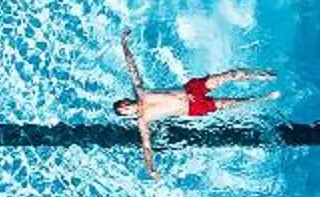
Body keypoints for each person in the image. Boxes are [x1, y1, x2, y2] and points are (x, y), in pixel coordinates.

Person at [112, 34, 278, 176]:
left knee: (229, 75)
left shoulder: (140, 91)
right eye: (125, 111)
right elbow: (147, 147)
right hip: (191, 108)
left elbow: (132, 67)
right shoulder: (143, 120)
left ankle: (265, 75)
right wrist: (150, 168)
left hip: (190, 89)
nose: (127, 108)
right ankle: (262, 99)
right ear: (127, 115)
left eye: (124, 105)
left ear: (126, 101)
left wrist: (124, 43)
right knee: (227, 103)